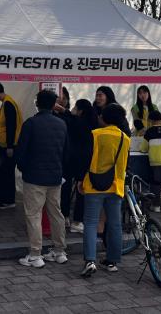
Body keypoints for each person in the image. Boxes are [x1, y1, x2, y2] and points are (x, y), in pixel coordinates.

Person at [15, 90, 68, 268]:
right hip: (55, 176)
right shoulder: (62, 124)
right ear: (54, 105)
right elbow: (66, 151)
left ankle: (35, 254)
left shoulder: (31, 123)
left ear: (37, 104)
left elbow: (21, 151)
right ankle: (59, 251)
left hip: (34, 176)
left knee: (33, 215)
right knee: (56, 214)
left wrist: (23, 168)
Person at [77, 103, 130, 276]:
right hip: (116, 186)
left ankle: (90, 261)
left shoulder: (95, 134)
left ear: (105, 118)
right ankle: (112, 261)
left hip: (94, 184)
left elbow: (85, 158)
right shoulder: (125, 138)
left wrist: (80, 179)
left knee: (91, 223)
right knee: (115, 224)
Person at [0, 81, 23, 210]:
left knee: (7, 173)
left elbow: (11, 126)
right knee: (3, 172)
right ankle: (3, 199)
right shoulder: (6, 102)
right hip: (5, 145)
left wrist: (9, 147)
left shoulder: (8, 104)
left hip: (8, 146)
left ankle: (8, 201)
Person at [64, 99, 99, 234]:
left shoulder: (73, 122)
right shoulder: (93, 124)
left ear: (80, 110)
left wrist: (66, 112)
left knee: (66, 189)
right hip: (85, 161)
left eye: (75, 107)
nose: (73, 109)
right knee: (81, 192)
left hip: (69, 160)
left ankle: (65, 217)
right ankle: (77, 221)